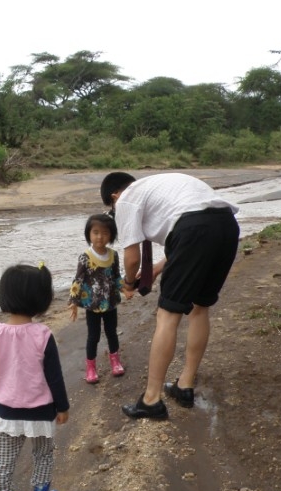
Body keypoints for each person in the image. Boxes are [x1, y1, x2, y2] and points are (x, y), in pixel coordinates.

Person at [100, 172, 240, 420]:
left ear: (114, 196)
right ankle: (184, 386)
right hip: (227, 226)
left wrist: (129, 283)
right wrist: (155, 269)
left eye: (112, 210)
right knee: (200, 308)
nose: (115, 214)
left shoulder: (126, 199)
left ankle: (151, 400)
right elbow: (190, 230)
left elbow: (132, 258)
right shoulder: (158, 186)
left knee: (167, 315)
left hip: (194, 230)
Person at [0, 263, 69, 491]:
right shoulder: (42, 334)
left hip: (7, 410)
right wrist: (63, 407)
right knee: (43, 455)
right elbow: (54, 376)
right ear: (40, 300)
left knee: (5, 461)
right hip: (41, 411)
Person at [68, 213, 125, 383]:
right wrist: (73, 301)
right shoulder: (85, 257)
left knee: (111, 332)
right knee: (93, 336)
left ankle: (115, 361)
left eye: (105, 233)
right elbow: (78, 279)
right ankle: (91, 367)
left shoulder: (113, 255)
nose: (100, 236)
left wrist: (125, 289)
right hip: (92, 304)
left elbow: (116, 277)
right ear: (89, 234)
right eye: (95, 232)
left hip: (110, 303)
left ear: (111, 235)